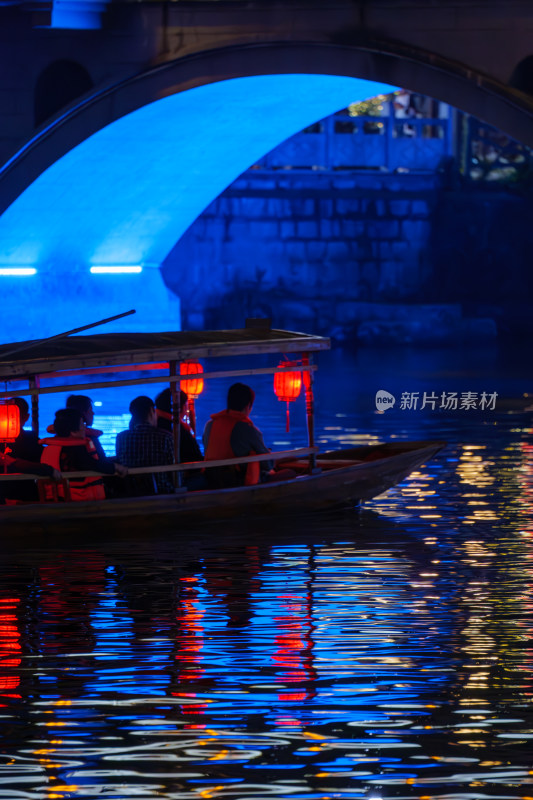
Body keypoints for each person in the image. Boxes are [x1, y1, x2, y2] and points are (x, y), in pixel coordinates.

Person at [40, 408, 125, 501]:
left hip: (55, 499)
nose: (85, 428)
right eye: (82, 424)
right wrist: (115, 467)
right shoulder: (75, 450)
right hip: (77, 502)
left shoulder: (49, 448)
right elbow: (92, 464)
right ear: (73, 432)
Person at [202, 382, 274, 489]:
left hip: (211, 481)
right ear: (248, 406)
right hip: (237, 483)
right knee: (288, 473)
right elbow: (268, 465)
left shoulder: (210, 425)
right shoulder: (248, 429)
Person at [0, 397, 59, 503]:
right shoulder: (32, 440)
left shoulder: (32, 439)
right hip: (25, 496)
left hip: (24, 496)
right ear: (27, 417)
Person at [115, 395, 175, 495]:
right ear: (152, 411)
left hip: (131, 492)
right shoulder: (166, 437)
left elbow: (120, 462)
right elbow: (175, 472)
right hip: (163, 492)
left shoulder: (121, 438)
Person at [155, 388, 204, 463]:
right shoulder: (181, 430)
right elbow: (196, 460)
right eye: (187, 405)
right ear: (183, 407)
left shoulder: (154, 427)